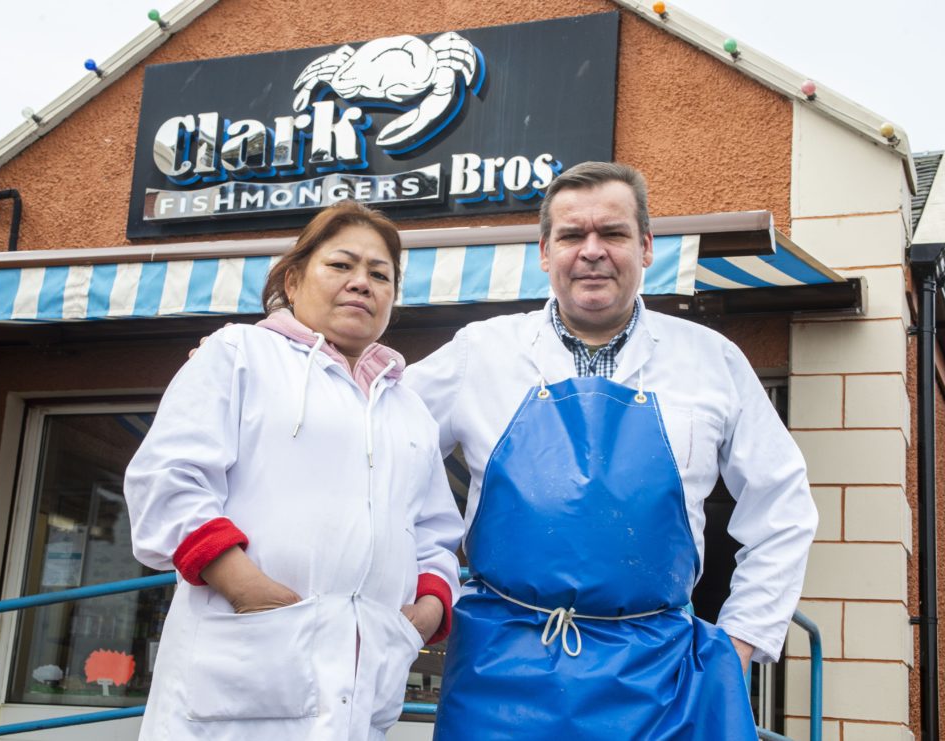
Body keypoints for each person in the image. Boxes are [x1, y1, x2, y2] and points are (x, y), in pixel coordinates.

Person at [404, 162, 818, 739]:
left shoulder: (711, 359)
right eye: (572, 235)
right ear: (545, 251)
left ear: (646, 247)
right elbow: (381, 450)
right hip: (498, 674)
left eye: (614, 234)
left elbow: (784, 507)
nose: (592, 251)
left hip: (661, 680)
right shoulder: (479, 352)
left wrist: (742, 639)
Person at [125, 200, 464, 741]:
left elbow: (434, 531)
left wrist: (425, 610)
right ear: (293, 277)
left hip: (362, 684)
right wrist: (243, 584)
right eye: (341, 265)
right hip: (238, 670)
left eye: (380, 275)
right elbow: (169, 480)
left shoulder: (408, 407)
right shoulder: (237, 353)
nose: (362, 283)